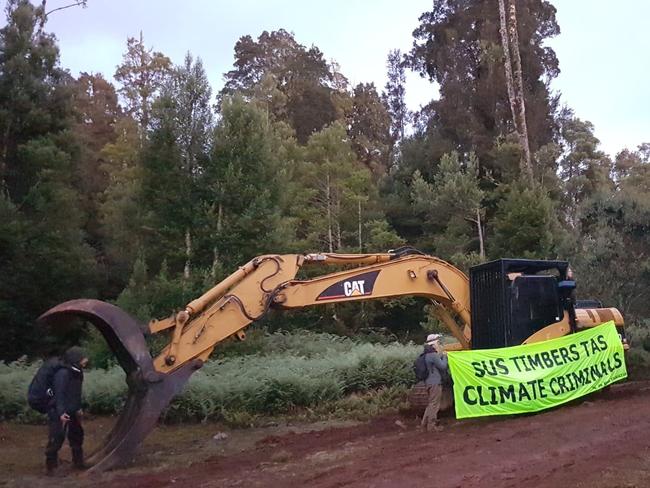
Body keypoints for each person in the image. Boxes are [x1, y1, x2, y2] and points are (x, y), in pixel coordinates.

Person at [45, 346, 89, 475]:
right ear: (76, 359)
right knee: (57, 437)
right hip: (60, 410)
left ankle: (78, 462)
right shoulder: (63, 373)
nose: (86, 360)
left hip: (73, 409)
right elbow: (59, 394)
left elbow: (76, 393)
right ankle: (52, 468)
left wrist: (78, 407)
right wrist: (61, 412)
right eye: (83, 357)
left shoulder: (78, 372)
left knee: (77, 435)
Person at [420, 333, 448, 432]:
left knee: (431, 403)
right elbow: (443, 366)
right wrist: (444, 357)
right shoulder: (432, 355)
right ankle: (431, 426)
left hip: (428, 382)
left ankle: (424, 425)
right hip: (435, 382)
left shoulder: (426, 354)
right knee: (434, 405)